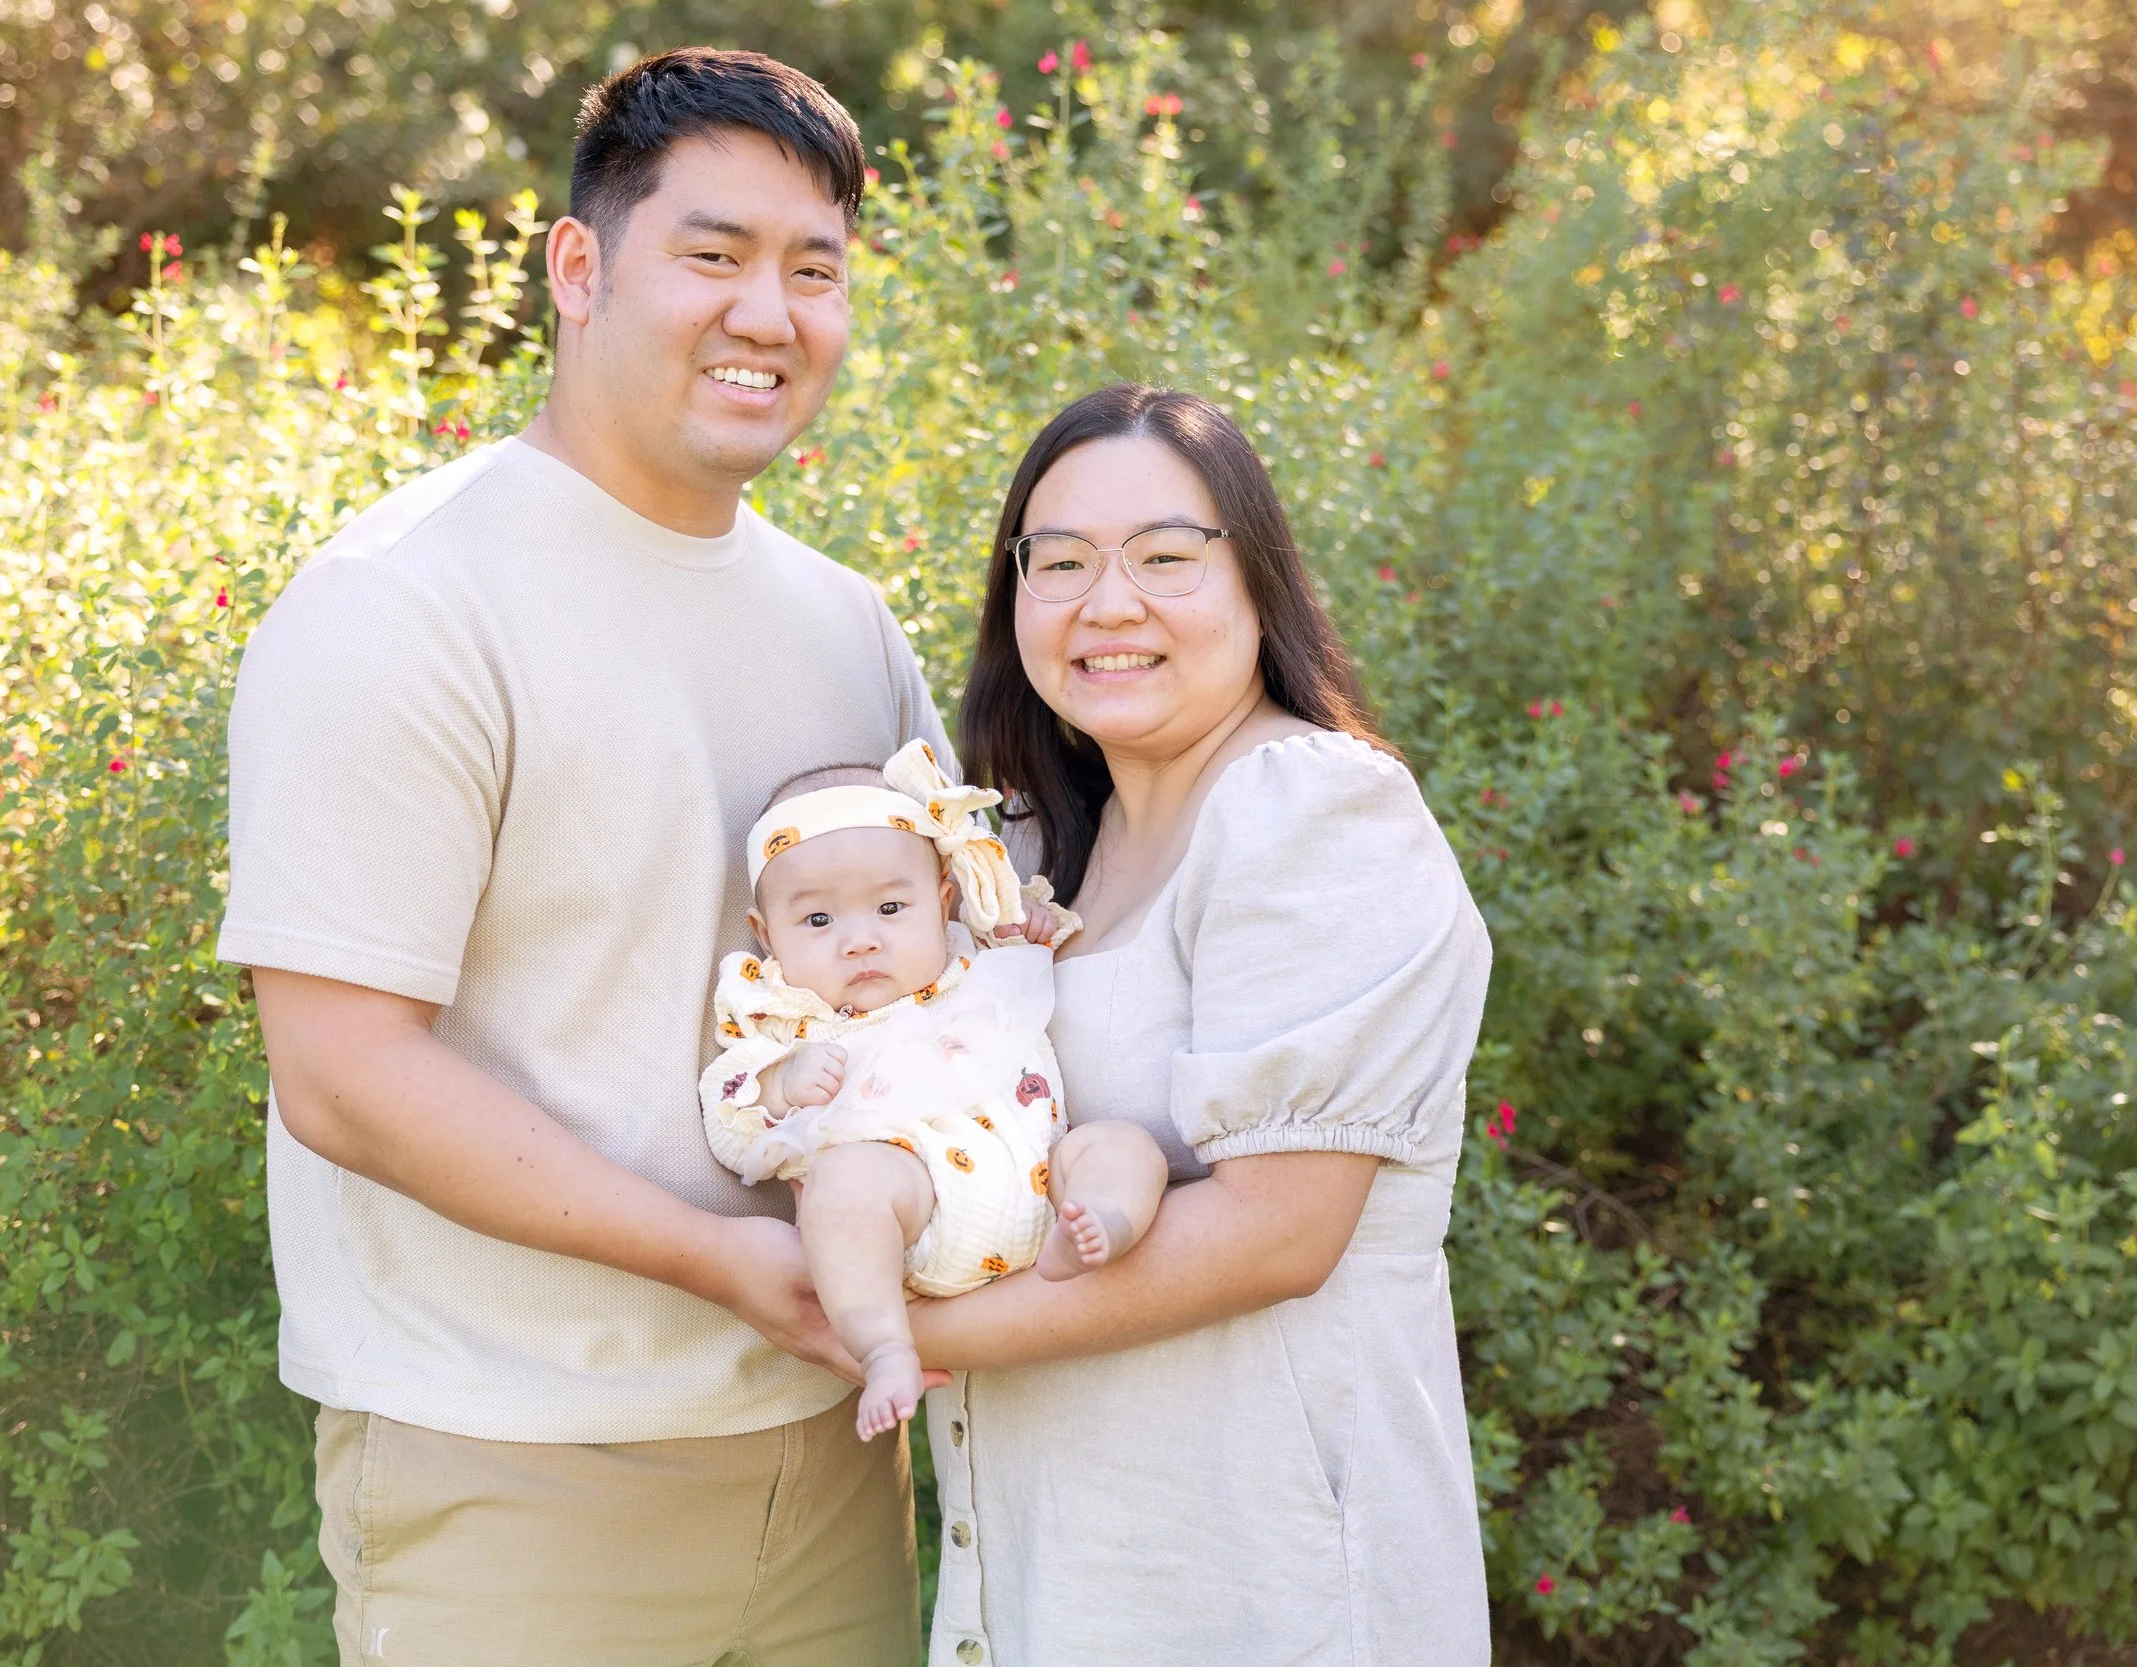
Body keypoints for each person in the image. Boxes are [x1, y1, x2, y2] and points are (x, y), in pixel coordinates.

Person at [217, 48, 934, 1667]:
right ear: (579, 264)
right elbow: (340, 1071)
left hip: (834, 1458)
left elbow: (935, 996)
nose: (771, 311)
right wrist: (721, 1258)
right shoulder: (401, 604)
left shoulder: (846, 626)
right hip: (517, 1463)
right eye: (715, 253)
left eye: (813, 271)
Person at [911, 384, 1495, 1665]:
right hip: (1066, 1573)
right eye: (1056, 561)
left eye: (1166, 558)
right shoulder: (1033, 853)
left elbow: (1277, 1230)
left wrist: (890, 1333)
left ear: (1257, 585)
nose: (1106, 602)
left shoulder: (1309, 812)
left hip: (1258, 1584)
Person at [699, 743, 1168, 1441]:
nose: (860, 940)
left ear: (943, 899)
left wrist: (1032, 926)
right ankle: (886, 1345)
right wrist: (779, 1081)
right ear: (768, 935)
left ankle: (1100, 1223)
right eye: (819, 921)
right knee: (845, 1186)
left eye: (891, 906)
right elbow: (729, 1116)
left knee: (1120, 1146)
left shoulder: (974, 954)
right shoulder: (785, 1016)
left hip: (1044, 1181)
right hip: (912, 1215)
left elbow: (1043, 949)